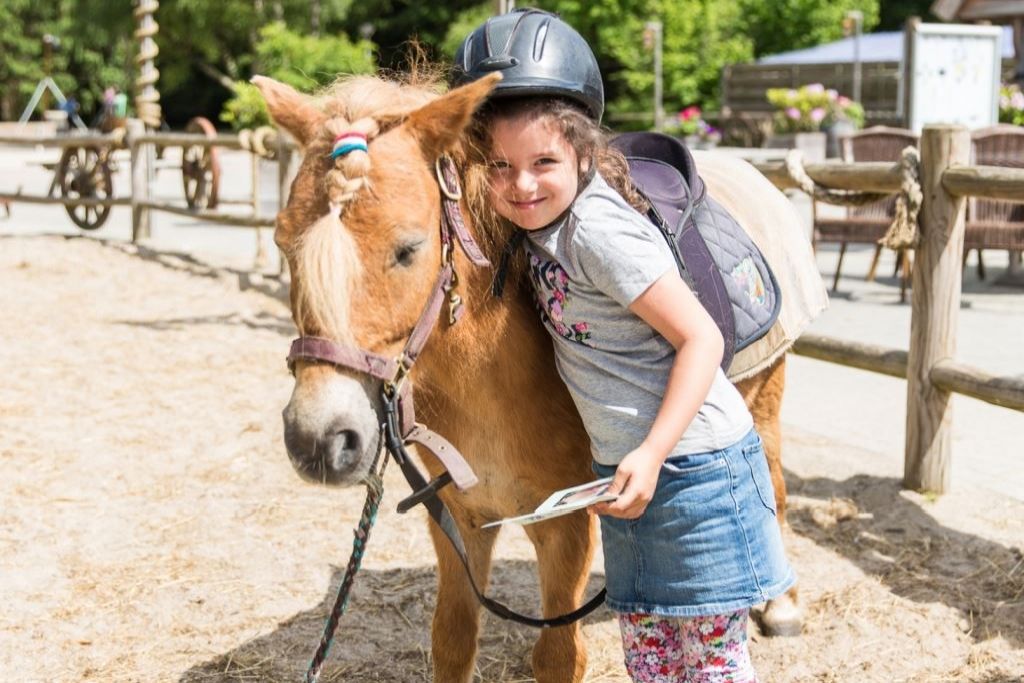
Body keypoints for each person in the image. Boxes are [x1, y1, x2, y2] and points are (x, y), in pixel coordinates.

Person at [454, 9, 795, 682]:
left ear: (583, 153)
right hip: (629, 477)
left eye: (543, 162)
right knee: (651, 656)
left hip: (693, 470)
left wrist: (650, 451)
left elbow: (699, 336)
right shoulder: (530, 228)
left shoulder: (599, 233)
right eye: (499, 166)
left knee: (711, 662)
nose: (520, 185)